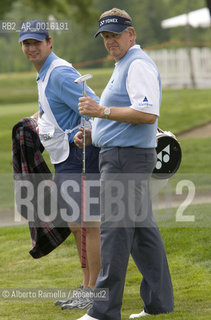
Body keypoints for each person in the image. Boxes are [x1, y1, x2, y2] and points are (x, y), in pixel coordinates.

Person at [74, 8, 174, 320]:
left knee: (114, 232)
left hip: (124, 160)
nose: (110, 41)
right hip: (120, 154)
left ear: (131, 34)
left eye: (115, 34)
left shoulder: (138, 64)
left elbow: (147, 114)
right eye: (105, 36)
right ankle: (158, 304)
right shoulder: (124, 64)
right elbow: (127, 114)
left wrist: (100, 111)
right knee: (143, 232)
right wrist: (94, 135)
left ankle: (103, 311)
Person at [19, 19, 101, 309]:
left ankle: (92, 291)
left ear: (49, 42)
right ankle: (85, 286)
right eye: (26, 43)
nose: (31, 48)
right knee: (76, 224)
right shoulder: (43, 74)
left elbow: (95, 105)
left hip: (80, 153)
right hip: (65, 157)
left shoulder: (60, 73)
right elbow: (53, 110)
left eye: (36, 42)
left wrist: (87, 134)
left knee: (88, 224)